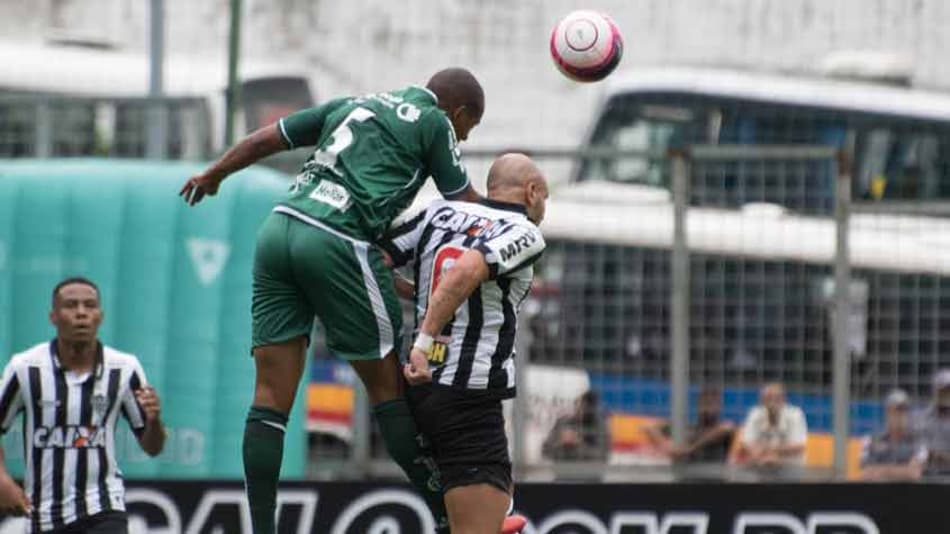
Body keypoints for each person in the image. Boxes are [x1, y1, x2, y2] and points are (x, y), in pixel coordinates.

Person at [180, 68, 484, 533]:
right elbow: (462, 203)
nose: (462, 137)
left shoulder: (351, 103)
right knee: (388, 389)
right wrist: (513, 218)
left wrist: (215, 172)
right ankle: (450, 519)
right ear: (459, 112)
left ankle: (263, 528)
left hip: (281, 228)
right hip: (337, 238)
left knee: (269, 397)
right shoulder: (434, 121)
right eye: (469, 128)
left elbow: (270, 138)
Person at [381, 153, 547, 534]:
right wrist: (423, 341)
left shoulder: (437, 213)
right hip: (467, 397)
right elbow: (469, 268)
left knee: (487, 513)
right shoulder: (523, 230)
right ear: (532, 192)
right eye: (546, 200)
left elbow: (376, 259)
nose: (544, 210)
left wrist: (417, 297)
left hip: (420, 391)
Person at [0, 277, 165, 533]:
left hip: (104, 507)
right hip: (45, 515)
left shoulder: (124, 368)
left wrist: (154, 421)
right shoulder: (26, 368)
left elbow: (153, 447)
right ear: (53, 316)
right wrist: (2, 480)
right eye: (70, 305)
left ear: (100, 315)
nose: (81, 313)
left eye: (89, 306)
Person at [644, 387, 736, 464]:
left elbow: (727, 428)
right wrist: (666, 446)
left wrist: (690, 449)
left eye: (712, 403)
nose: (708, 408)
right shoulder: (688, 427)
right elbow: (649, 426)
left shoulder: (721, 429)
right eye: (706, 402)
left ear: (719, 406)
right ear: (699, 403)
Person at [729, 383, 807, 467]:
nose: (772, 402)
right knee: (735, 462)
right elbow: (747, 443)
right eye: (768, 398)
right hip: (759, 466)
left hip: (789, 468)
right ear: (761, 400)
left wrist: (768, 451)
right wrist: (760, 455)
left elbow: (798, 446)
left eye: (777, 398)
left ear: (784, 399)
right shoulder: (754, 413)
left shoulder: (795, 414)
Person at [860, 389, 926, 481]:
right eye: (896, 410)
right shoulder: (870, 439)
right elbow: (867, 473)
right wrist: (903, 470)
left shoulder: (918, 440)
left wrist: (881, 470)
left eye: (904, 410)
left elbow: (914, 473)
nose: (901, 415)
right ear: (887, 412)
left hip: (908, 493)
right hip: (877, 493)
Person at [542, 391, 609, 463]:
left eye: (589, 405)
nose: (584, 409)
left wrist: (578, 443)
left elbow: (603, 456)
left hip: (589, 473)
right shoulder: (563, 423)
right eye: (581, 403)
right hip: (564, 471)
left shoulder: (600, 428)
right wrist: (561, 443)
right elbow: (545, 451)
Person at [912, 369, 950, 478]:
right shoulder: (920, 417)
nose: (946, 394)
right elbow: (918, 452)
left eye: (948, 390)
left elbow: (928, 452)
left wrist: (935, 454)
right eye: (942, 390)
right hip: (924, 476)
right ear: (935, 391)